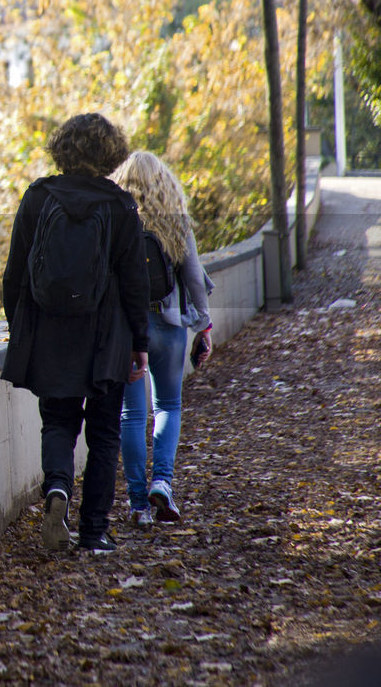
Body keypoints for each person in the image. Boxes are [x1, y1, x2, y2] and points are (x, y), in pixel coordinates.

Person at [1, 113, 150, 554]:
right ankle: (93, 532)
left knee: (58, 421)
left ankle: (58, 492)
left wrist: (22, 330)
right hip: (107, 339)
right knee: (103, 433)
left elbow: (14, 276)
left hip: (51, 334)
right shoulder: (120, 206)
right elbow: (133, 284)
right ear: (111, 153)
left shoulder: (37, 198)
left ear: (63, 148)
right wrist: (139, 344)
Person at [111, 151, 213, 526]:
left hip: (127, 329)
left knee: (132, 414)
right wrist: (204, 326)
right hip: (169, 326)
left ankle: (138, 505)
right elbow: (193, 275)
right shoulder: (175, 219)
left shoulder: (116, 219)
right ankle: (162, 483)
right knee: (168, 405)